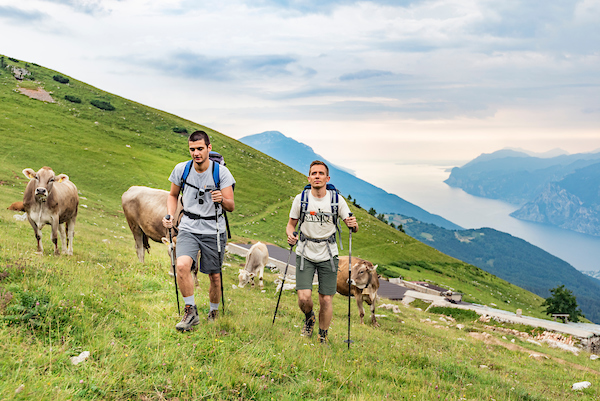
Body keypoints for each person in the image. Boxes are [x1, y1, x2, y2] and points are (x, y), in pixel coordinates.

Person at [163, 130, 235, 331]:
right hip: (188, 226)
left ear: (209, 148)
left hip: (214, 228)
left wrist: (222, 199)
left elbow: (231, 206)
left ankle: (213, 311)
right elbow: (172, 195)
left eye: (200, 149)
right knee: (182, 265)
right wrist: (170, 214)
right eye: (192, 149)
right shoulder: (182, 169)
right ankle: (190, 311)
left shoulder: (221, 173)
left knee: (214, 275)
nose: (196, 153)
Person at [286, 160, 358, 343]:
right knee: (304, 297)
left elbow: (352, 225)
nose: (317, 176)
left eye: (320, 173)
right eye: (314, 173)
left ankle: (322, 336)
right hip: (305, 252)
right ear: (309, 177)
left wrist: (353, 225)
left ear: (327, 178)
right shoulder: (301, 199)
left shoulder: (336, 200)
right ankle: (309, 317)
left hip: (328, 253)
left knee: (326, 299)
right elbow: (291, 225)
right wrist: (291, 236)